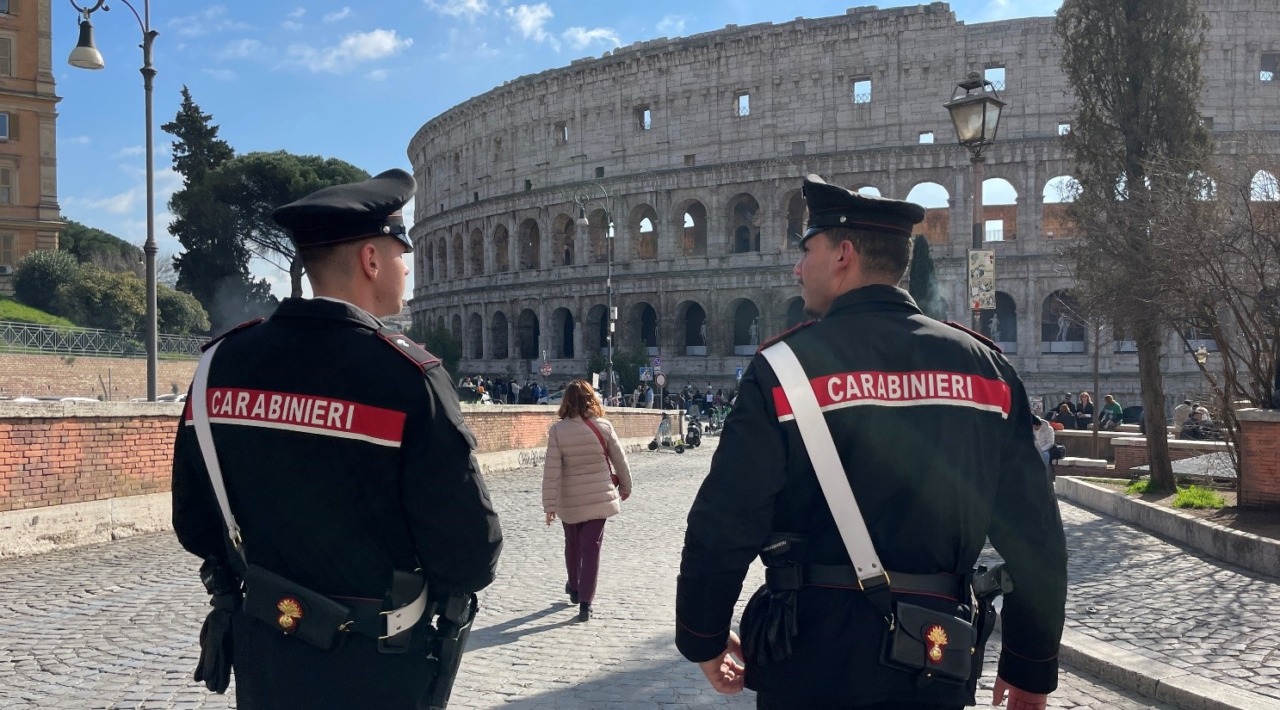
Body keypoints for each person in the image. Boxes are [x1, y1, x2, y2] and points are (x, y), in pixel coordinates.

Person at [675, 175, 1067, 709]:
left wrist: (704, 635)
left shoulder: (785, 369)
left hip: (808, 653)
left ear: (843, 254)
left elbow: (726, 520)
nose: (797, 268)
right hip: (933, 654)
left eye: (805, 250)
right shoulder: (987, 371)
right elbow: (1034, 534)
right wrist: (1030, 665)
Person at [170, 169, 504, 709]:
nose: (405, 270)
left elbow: (195, 523)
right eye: (402, 256)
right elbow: (470, 555)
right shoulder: (407, 378)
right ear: (371, 260)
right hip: (379, 665)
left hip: (266, 656)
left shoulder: (217, 366)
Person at [542, 380, 633, 623]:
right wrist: (626, 486)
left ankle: (574, 586)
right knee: (592, 547)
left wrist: (549, 505)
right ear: (591, 399)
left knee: (573, 544)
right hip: (598, 496)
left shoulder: (558, 431)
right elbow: (620, 461)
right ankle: (586, 602)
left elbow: (551, 471)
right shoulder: (603, 427)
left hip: (569, 498)